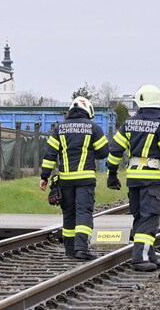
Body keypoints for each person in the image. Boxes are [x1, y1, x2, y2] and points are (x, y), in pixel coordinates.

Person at [106, 84, 160, 272]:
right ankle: (140, 258)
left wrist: (112, 174)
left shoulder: (129, 123)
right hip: (151, 178)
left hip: (133, 178)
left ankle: (150, 255)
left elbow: (115, 150)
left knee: (140, 217)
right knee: (150, 218)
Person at [40, 96, 109, 260]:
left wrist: (44, 176)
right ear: (88, 110)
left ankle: (70, 250)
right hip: (85, 180)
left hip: (65, 180)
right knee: (83, 213)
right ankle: (81, 250)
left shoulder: (59, 128)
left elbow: (50, 154)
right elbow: (104, 152)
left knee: (69, 214)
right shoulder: (93, 128)